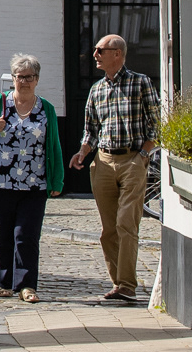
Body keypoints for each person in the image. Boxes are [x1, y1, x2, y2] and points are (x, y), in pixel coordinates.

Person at [68, 33, 160, 304]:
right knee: (108, 229)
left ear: (117, 54)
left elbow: (156, 123)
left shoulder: (140, 83)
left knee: (126, 223)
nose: (94, 54)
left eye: (100, 50)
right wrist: (83, 152)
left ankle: (128, 285)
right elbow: (91, 129)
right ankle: (118, 283)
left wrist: (143, 155)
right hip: (104, 162)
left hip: (133, 159)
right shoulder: (97, 89)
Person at [0, 54, 63, 302]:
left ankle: (26, 285)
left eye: (29, 77)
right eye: (20, 77)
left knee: (27, 235)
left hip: (35, 183)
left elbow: (53, 146)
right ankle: (5, 282)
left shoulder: (46, 109)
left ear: (37, 80)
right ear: (12, 79)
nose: (24, 82)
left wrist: (57, 181)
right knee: (3, 236)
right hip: (0, 182)